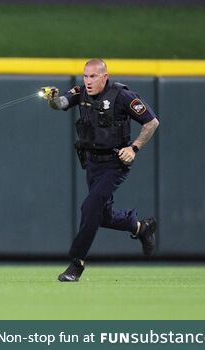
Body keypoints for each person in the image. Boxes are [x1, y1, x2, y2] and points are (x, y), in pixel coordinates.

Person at [42, 58, 160, 282]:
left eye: (93, 76)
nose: (88, 81)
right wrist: (52, 99)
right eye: (85, 76)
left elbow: (152, 122)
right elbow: (61, 104)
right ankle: (140, 227)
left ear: (105, 77)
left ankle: (77, 263)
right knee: (101, 214)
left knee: (90, 207)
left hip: (115, 163)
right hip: (92, 163)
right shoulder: (82, 92)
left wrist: (133, 148)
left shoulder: (122, 95)